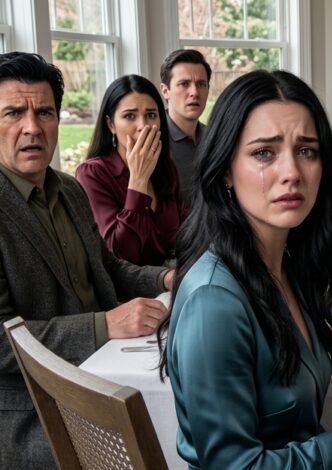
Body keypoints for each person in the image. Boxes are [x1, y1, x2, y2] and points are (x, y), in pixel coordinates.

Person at [158, 70, 332, 468]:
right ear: (225, 170)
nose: (292, 172)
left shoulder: (287, 265)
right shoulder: (214, 303)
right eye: (263, 153)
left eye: (306, 150)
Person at [0, 52, 172, 470]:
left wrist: (167, 278)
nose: (32, 127)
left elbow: (109, 268)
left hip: (107, 378)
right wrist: (104, 325)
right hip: (35, 412)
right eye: (13, 113)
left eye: (44, 112)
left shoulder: (69, 189)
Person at [76, 75, 184, 266]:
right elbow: (119, 253)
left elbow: (185, 231)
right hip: (128, 284)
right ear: (111, 124)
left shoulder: (166, 167)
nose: (143, 126)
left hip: (173, 275)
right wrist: (138, 180)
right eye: (129, 116)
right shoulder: (92, 174)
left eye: (151, 115)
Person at [159, 49, 211, 203]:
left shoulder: (215, 137)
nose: (194, 92)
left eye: (201, 84)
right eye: (184, 84)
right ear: (165, 91)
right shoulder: (154, 142)